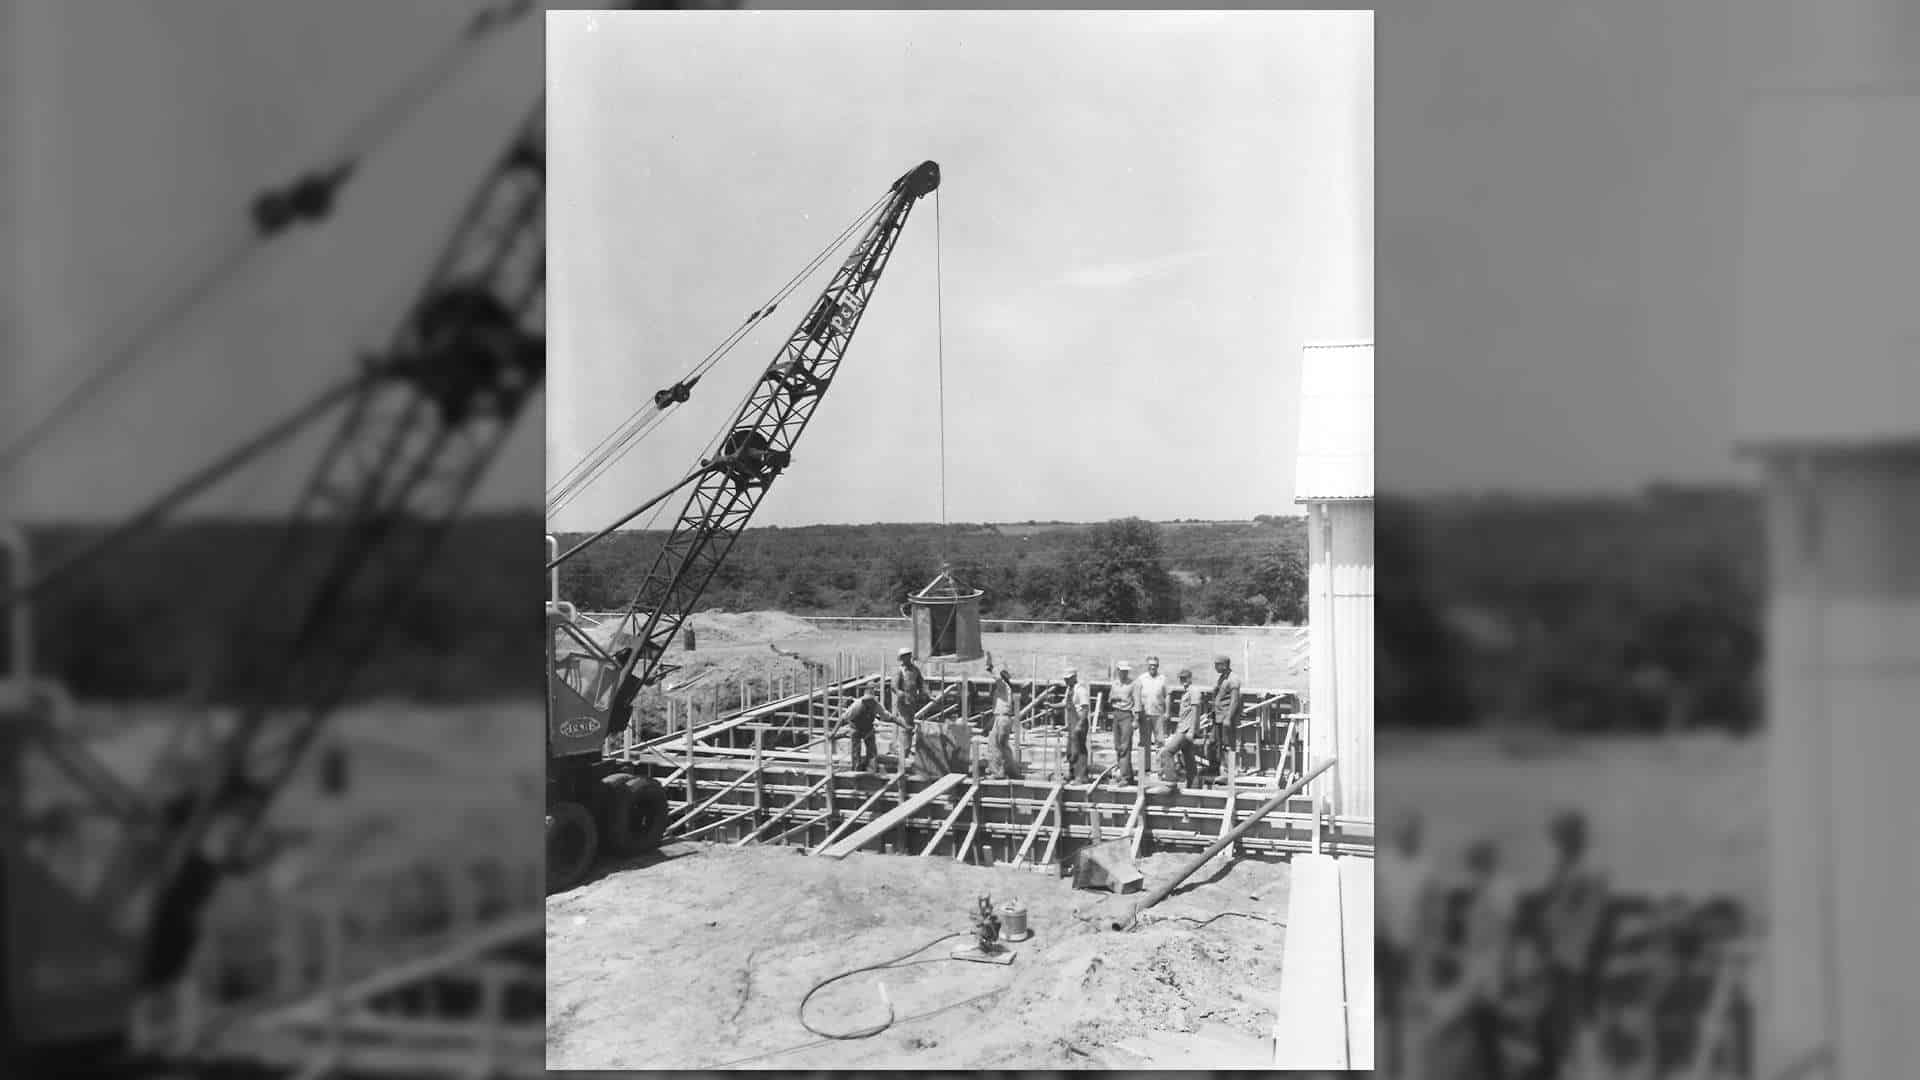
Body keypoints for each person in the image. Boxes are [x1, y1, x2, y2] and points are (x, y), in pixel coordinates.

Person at [1531, 809, 1609, 1077]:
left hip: (1572, 958)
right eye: (1557, 840)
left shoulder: (1584, 871)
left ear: (1574, 839)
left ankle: (1570, 1070)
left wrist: (1550, 923)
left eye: (1561, 839)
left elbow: (1563, 914)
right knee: (1553, 1024)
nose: (1557, 846)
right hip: (1564, 956)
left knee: (1568, 1026)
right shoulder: (1567, 868)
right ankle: (1562, 1069)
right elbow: (1553, 911)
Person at [1378, 811, 1438, 1077]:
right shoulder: (1385, 863)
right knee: (1390, 1014)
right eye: (1404, 832)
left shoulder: (1425, 867)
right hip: (1388, 946)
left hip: (1415, 948)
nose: (1407, 836)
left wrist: (1423, 945)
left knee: (1416, 1013)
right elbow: (1378, 904)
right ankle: (1391, 1066)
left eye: (1411, 832)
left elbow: (1431, 911)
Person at [1156, 668, 1202, 788]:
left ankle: (1171, 780)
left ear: (1190, 678)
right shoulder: (1187, 692)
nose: (1183, 680)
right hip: (1183, 729)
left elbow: (1195, 711)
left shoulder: (1193, 691)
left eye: (1185, 678)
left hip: (1186, 731)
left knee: (1167, 752)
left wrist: (1192, 731)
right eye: (1181, 678)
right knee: (1189, 758)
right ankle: (1194, 786)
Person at [1207, 653, 1243, 784]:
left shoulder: (1233, 679)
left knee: (1228, 745)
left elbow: (1235, 700)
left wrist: (1228, 718)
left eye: (1217, 664)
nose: (1215, 667)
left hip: (1226, 718)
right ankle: (1217, 768)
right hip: (1218, 717)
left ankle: (1229, 772)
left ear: (1225, 665)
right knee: (1214, 743)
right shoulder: (1222, 678)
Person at [984, 657, 1020, 779]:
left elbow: (997, 679)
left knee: (996, 746)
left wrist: (990, 669)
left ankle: (998, 773)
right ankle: (1011, 770)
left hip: (1002, 719)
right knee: (1002, 746)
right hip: (1002, 719)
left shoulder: (1003, 686)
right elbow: (997, 711)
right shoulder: (1006, 688)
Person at [891, 646, 928, 762]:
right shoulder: (899, 671)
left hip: (912, 702)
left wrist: (924, 693)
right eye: (904, 657)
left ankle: (906, 750)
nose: (907, 658)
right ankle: (904, 752)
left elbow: (921, 683)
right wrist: (899, 692)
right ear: (901, 658)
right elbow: (893, 686)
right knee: (905, 726)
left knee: (909, 726)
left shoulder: (915, 670)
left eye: (908, 656)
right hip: (903, 703)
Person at [1135, 655, 1170, 776]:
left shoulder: (1162, 679)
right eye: (1150, 665)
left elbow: (1168, 695)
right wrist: (1137, 714)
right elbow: (1137, 697)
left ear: (1158, 666)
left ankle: (1160, 768)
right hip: (1145, 715)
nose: (1152, 667)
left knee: (1160, 742)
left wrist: (1167, 712)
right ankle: (1145, 769)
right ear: (1147, 666)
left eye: (1155, 665)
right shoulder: (1141, 679)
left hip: (1158, 714)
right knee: (1144, 742)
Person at [1108, 661, 1141, 784]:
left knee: (1125, 747)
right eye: (1122, 671)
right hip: (1116, 714)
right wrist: (1114, 699)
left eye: (1126, 671)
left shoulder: (1133, 684)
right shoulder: (1115, 684)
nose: (1124, 673)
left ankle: (1125, 777)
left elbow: (1137, 703)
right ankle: (1126, 774)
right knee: (1117, 746)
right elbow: (1109, 699)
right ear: (1118, 671)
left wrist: (1136, 719)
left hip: (1127, 715)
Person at [837, 693, 881, 773]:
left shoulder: (876, 706)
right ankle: (856, 771)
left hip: (868, 728)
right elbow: (842, 719)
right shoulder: (856, 706)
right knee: (856, 751)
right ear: (864, 702)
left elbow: (888, 716)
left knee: (872, 751)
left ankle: (872, 771)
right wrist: (833, 733)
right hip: (856, 728)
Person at [1060, 668, 1090, 782]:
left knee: (1080, 749)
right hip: (1072, 723)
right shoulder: (1069, 689)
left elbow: (1085, 708)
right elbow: (1064, 703)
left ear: (1074, 678)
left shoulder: (1080, 689)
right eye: (1065, 679)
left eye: (1068, 679)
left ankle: (1081, 776)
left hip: (1079, 722)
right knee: (1070, 749)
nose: (1066, 681)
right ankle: (1072, 772)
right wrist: (1051, 705)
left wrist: (1080, 724)